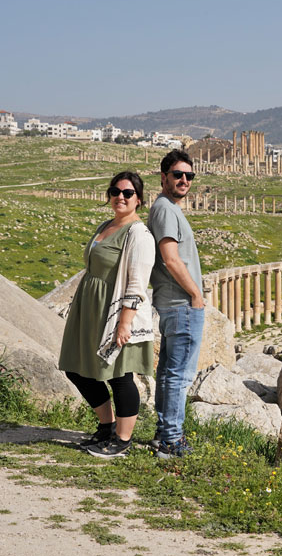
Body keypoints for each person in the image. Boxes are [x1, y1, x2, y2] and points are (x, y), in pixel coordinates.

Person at [58, 172, 156, 459]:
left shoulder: (139, 234)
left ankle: (122, 440)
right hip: (90, 309)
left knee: (119, 375)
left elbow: (137, 282)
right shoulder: (106, 225)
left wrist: (125, 322)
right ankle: (106, 426)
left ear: (139, 199)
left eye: (128, 193)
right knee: (76, 367)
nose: (120, 197)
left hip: (115, 312)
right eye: (115, 191)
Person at [147, 149, 205, 459]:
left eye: (189, 176)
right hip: (181, 304)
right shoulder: (166, 210)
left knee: (170, 371)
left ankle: (164, 434)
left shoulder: (165, 208)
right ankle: (171, 440)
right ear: (164, 177)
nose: (184, 180)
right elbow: (170, 259)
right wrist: (196, 295)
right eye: (178, 175)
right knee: (179, 374)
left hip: (173, 303)